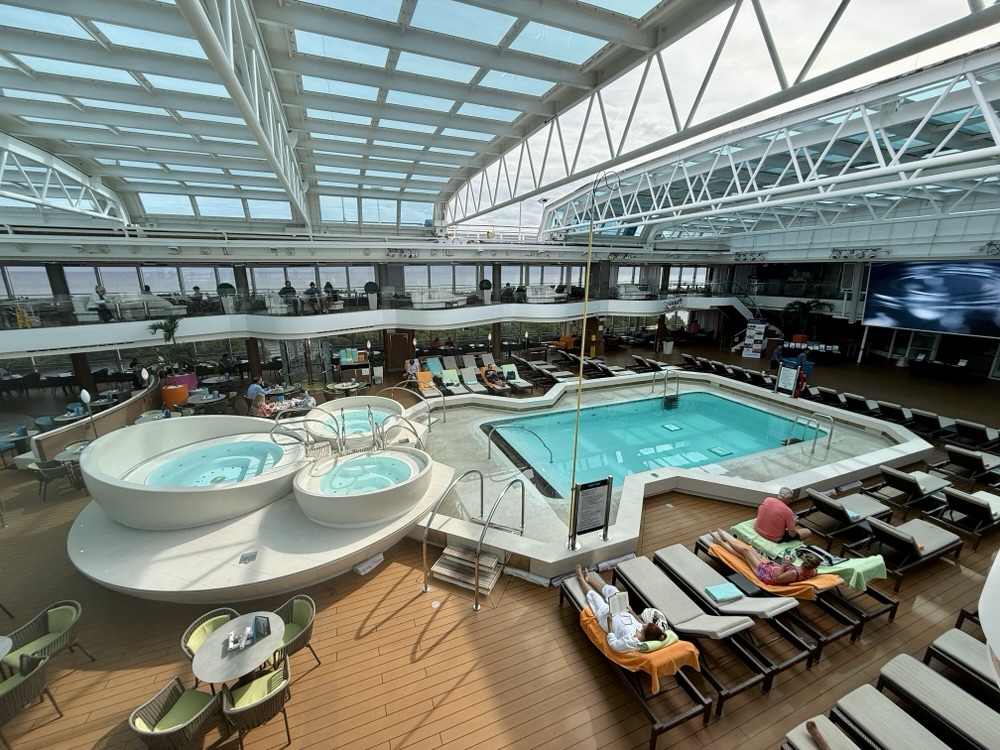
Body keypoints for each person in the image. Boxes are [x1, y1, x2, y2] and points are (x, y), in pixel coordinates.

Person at [574, 565, 665, 653]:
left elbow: (614, 644)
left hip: (607, 617)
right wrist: (632, 611)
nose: (644, 624)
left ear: (645, 632)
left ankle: (580, 578)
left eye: (645, 625)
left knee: (594, 597)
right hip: (622, 611)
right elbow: (641, 623)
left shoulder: (631, 642)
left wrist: (609, 624)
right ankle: (589, 579)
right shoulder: (644, 630)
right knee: (613, 590)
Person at [708, 530, 821, 585]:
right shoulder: (813, 571)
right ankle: (720, 542)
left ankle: (725, 539)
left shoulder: (794, 573)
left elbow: (777, 579)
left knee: (746, 550)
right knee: (746, 553)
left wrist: (785, 564)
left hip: (766, 574)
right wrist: (775, 564)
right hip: (771, 568)